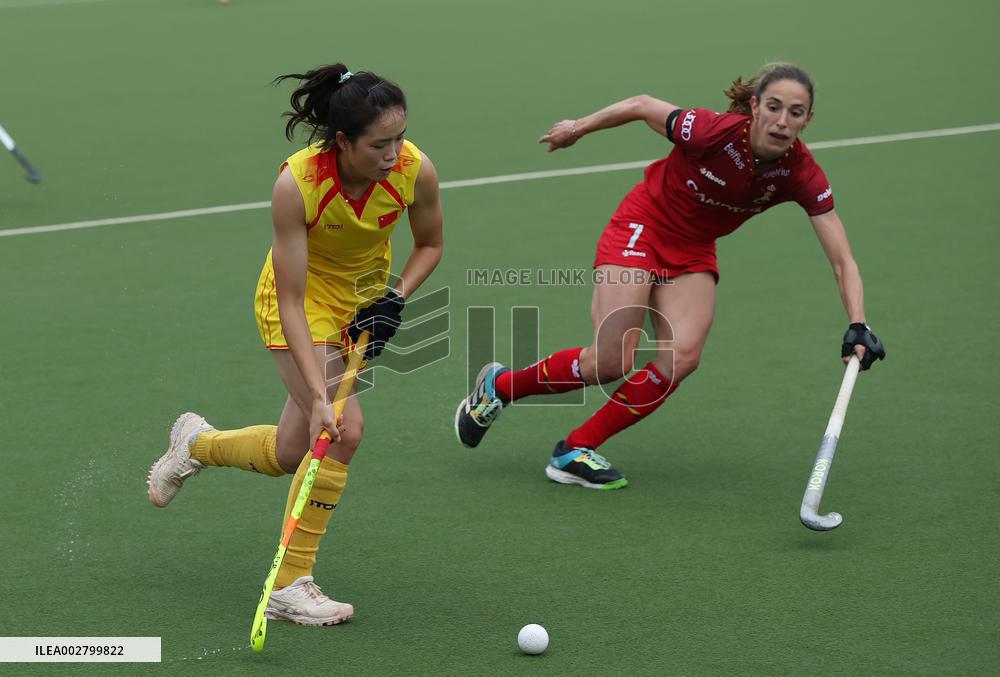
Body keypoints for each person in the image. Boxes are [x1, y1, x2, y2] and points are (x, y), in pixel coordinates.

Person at [455, 62, 884, 490]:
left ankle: (574, 449)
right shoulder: (711, 130)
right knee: (611, 361)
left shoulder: (801, 173)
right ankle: (501, 386)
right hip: (644, 225)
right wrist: (577, 128)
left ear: (807, 120)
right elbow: (642, 105)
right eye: (773, 106)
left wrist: (858, 323)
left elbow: (842, 259)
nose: (782, 121)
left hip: (694, 249)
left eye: (795, 112)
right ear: (754, 106)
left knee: (682, 357)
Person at [147, 63, 444, 623]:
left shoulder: (414, 170)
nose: (394, 154)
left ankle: (196, 445)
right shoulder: (297, 184)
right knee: (341, 428)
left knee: (291, 453)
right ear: (342, 142)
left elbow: (430, 244)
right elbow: (290, 302)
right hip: (297, 304)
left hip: (359, 302)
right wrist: (317, 395)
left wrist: (394, 299)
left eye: (400, 138)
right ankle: (291, 583)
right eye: (379, 144)